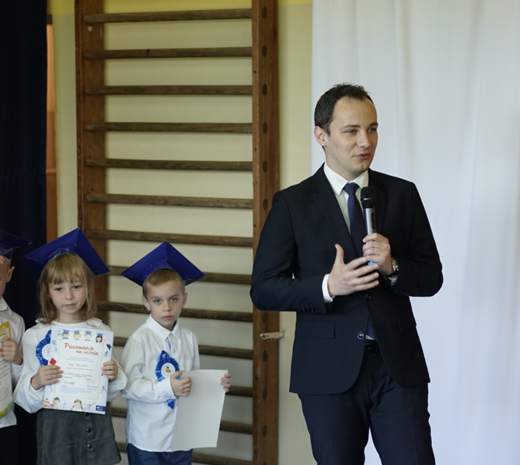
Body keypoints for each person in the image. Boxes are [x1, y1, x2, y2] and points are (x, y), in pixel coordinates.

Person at [250, 83, 443, 465]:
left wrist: (393, 266)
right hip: (327, 371)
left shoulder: (402, 194)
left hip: (396, 367)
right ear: (321, 135)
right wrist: (328, 286)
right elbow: (264, 289)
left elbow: (431, 277)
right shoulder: (292, 203)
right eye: (351, 131)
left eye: (372, 129)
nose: (365, 141)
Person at [15, 228, 126, 465]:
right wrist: (36, 381)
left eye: (76, 286)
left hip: (97, 431)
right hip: (57, 435)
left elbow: (109, 393)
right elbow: (25, 401)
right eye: (59, 289)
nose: (69, 296)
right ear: (47, 292)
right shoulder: (36, 336)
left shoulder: (100, 331)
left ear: (88, 287)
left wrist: (114, 375)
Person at [120, 241, 231, 465]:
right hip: (148, 439)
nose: (167, 307)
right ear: (146, 302)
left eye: (173, 299)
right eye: (157, 301)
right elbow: (128, 387)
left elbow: (193, 381)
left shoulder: (189, 338)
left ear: (184, 299)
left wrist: (214, 385)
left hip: (181, 437)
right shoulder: (139, 340)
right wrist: (167, 387)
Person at [0, 230, 30, 465]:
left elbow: (21, 382)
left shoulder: (16, 322)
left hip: (4, 423)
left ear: (8, 275)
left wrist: (18, 360)